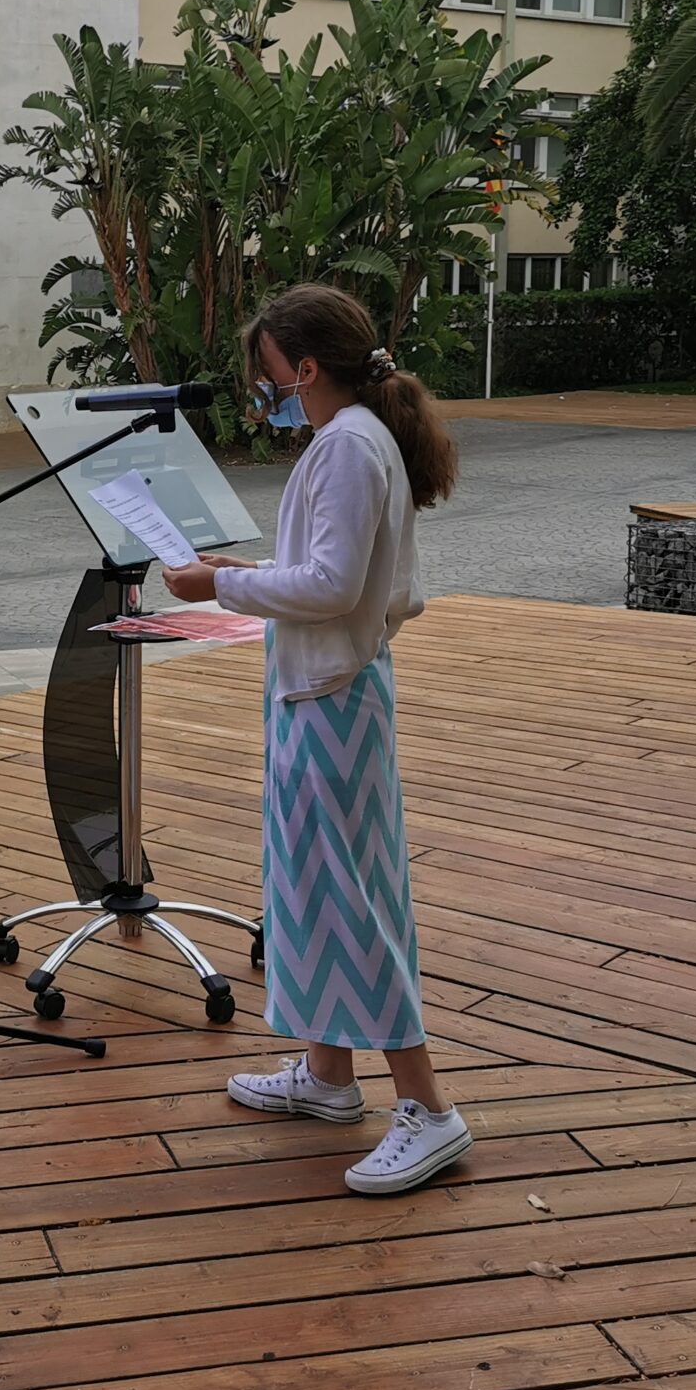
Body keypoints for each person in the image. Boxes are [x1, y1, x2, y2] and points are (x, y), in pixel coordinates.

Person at [161, 284, 467, 1196]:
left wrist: (220, 586)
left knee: (350, 895)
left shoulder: (346, 446)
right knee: (319, 885)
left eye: (268, 373)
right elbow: (348, 578)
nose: (265, 391)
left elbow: (333, 586)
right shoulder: (357, 438)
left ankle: (430, 1108)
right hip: (331, 689)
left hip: (333, 696)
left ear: (303, 367)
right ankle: (329, 1074)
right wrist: (247, 570)